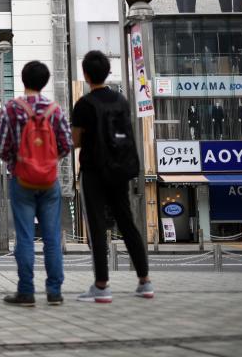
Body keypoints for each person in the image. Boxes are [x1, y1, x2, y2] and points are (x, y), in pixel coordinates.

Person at [71, 50, 153, 303]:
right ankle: (145, 282)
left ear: (85, 74)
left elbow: (75, 141)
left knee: (96, 227)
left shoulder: (84, 104)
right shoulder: (122, 101)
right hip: (120, 170)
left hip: (94, 170)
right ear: (108, 72)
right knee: (127, 223)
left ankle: (102, 285)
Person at [0, 60, 72, 306]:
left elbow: (1, 147)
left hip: (22, 180)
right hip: (50, 182)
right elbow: (66, 144)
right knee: (51, 238)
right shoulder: (54, 110)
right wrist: (48, 162)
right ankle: (54, 292)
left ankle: (26, 292)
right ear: (46, 81)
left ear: (23, 79)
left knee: (25, 237)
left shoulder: (11, 109)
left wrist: (19, 162)